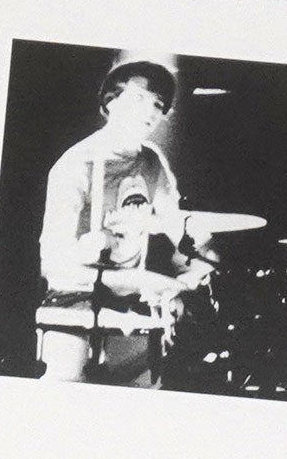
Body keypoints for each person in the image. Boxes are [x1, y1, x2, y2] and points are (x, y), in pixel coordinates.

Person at [33, 60, 207, 384]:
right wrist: (141, 280)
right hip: (73, 305)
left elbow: (179, 227)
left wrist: (200, 262)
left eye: (158, 104)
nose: (151, 111)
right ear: (110, 102)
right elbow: (52, 263)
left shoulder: (152, 162)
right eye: (139, 98)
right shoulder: (76, 165)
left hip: (130, 305)